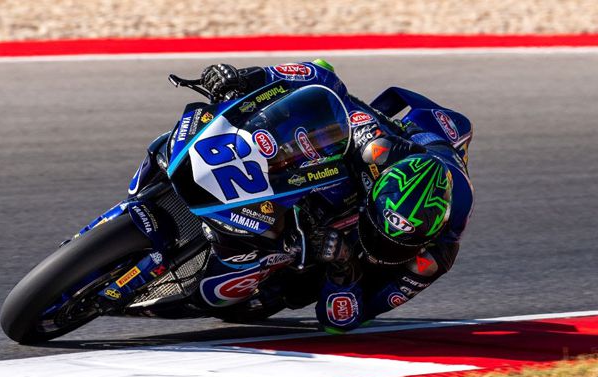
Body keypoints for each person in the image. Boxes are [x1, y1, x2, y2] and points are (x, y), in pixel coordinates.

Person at [194, 60, 474, 333]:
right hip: (402, 146)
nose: (379, 246)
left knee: (301, 289)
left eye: (394, 245)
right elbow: (323, 76)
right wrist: (248, 78)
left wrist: (344, 266)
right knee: (309, 128)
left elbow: (344, 319)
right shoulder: (374, 147)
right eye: (378, 233)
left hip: (371, 235)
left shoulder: (433, 258)